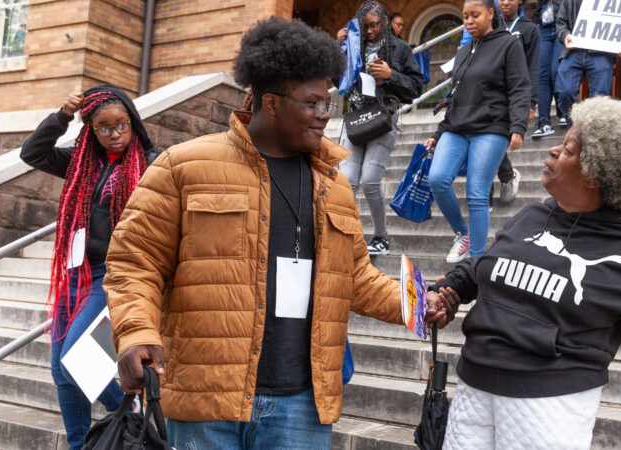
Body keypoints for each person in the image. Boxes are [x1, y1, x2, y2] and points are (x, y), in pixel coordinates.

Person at [103, 17, 404, 449]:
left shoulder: (334, 184)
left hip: (303, 405)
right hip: (208, 402)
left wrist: (416, 303)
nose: (325, 114)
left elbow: (356, 277)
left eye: (329, 102)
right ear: (271, 103)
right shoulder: (182, 166)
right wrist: (135, 333)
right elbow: (134, 262)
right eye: (313, 103)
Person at [425, 97, 621, 449]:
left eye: (568, 149)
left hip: (547, 405)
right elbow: (482, 268)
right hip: (473, 385)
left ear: (594, 175)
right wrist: (447, 292)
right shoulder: (532, 216)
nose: (552, 151)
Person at [20, 85, 157, 450]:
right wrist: (62, 116)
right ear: (91, 131)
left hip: (115, 278)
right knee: (61, 371)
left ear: (133, 122)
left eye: (122, 125)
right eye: (105, 128)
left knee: (75, 361)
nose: (115, 135)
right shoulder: (82, 162)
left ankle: (134, 423)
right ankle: (80, 445)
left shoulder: (151, 163)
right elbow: (32, 153)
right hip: (77, 274)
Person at [425, 0, 531, 264]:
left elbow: (519, 88)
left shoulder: (508, 44)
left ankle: (476, 262)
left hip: (491, 128)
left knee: (476, 192)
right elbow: (454, 97)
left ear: (490, 13)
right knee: (437, 179)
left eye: (475, 15)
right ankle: (464, 234)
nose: (469, 21)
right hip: (457, 127)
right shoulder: (462, 52)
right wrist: (438, 134)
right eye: (465, 16)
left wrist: (518, 126)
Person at [335, 1, 423, 256]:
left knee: (371, 180)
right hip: (356, 118)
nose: (371, 31)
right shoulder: (354, 46)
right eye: (365, 27)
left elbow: (417, 87)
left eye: (375, 25)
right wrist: (338, 49)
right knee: (347, 182)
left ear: (384, 21)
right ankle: (347, 235)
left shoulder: (400, 48)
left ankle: (380, 237)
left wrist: (391, 75)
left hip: (383, 119)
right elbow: (337, 81)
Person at [490, 0, 540, 205]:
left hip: (516, 94)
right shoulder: (493, 26)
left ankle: (507, 175)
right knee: (489, 137)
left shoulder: (529, 29)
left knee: (494, 140)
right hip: (492, 93)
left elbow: (534, 67)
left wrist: (531, 103)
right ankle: (488, 195)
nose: (505, 2)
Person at [554, 0, 621, 127]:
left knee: (599, 101)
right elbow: (561, 23)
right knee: (563, 91)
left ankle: (589, 134)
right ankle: (576, 128)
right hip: (574, 50)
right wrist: (565, 35)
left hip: (602, 53)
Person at [532, 0, 566, 136]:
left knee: (556, 71)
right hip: (544, 30)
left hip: (563, 27)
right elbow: (537, 11)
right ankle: (544, 121)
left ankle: (562, 110)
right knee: (542, 74)